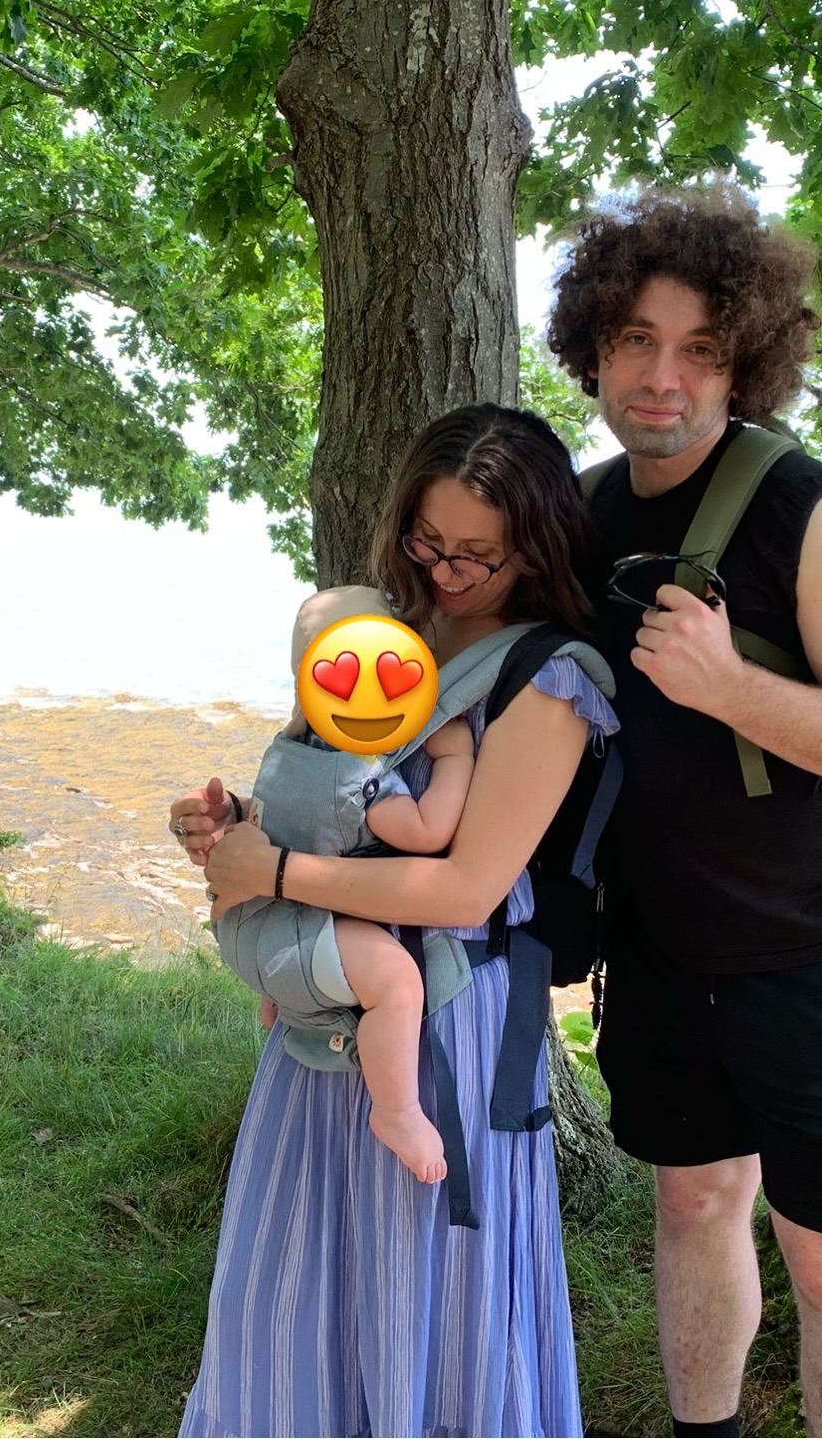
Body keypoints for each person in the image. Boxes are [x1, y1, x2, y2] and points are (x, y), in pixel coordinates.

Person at [546, 184, 822, 1439]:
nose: (661, 377)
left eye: (701, 348)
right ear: (594, 346)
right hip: (657, 954)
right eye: (635, 340)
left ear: (749, 363)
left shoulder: (816, 515)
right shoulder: (583, 514)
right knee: (691, 1205)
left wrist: (731, 688)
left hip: (812, 958)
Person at [166, 403, 618, 1438]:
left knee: (431, 1275)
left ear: (535, 546)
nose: (449, 573)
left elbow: (467, 888)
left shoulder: (546, 677)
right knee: (294, 1269)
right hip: (330, 991)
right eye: (427, 542)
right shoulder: (385, 637)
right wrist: (235, 825)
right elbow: (338, 800)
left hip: (448, 1020)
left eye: (479, 554)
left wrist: (277, 871)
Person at [206, 585, 478, 1183]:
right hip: (293, 941)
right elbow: (427, 831)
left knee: (329, 939)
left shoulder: (286, 750)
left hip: (248, 929)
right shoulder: (356, 773)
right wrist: (455, 758)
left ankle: (288, 1000)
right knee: (397, 983)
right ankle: (397, 1111)